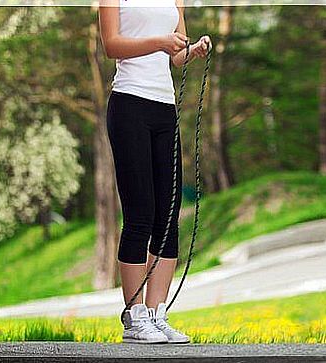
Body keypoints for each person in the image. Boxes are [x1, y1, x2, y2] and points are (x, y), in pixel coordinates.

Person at [98, 0, 211, 344]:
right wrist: (160, 42)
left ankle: (157, 313)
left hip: (164, 109)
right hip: (129, 103)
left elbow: (175, 55)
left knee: (168, 215)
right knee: (140, 215)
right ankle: (134, 318)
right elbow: (111, 45)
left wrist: (191, 51)